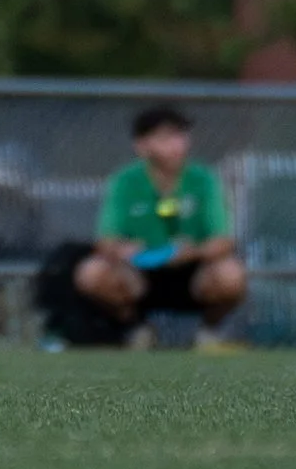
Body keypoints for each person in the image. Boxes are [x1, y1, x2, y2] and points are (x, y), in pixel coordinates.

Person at [72, 103, 247, 345]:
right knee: (91, 273)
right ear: (142, 146)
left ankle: (208, 332)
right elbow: (105, 240)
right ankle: (136, 329)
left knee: (231, 275)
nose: (177, 146)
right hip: (140, 271)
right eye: (165, 138)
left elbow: (223, 240)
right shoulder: (125, 181)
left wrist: (191, 252)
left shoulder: (203, 179)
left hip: (192, 271)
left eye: (180, 137)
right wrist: (124, 250)